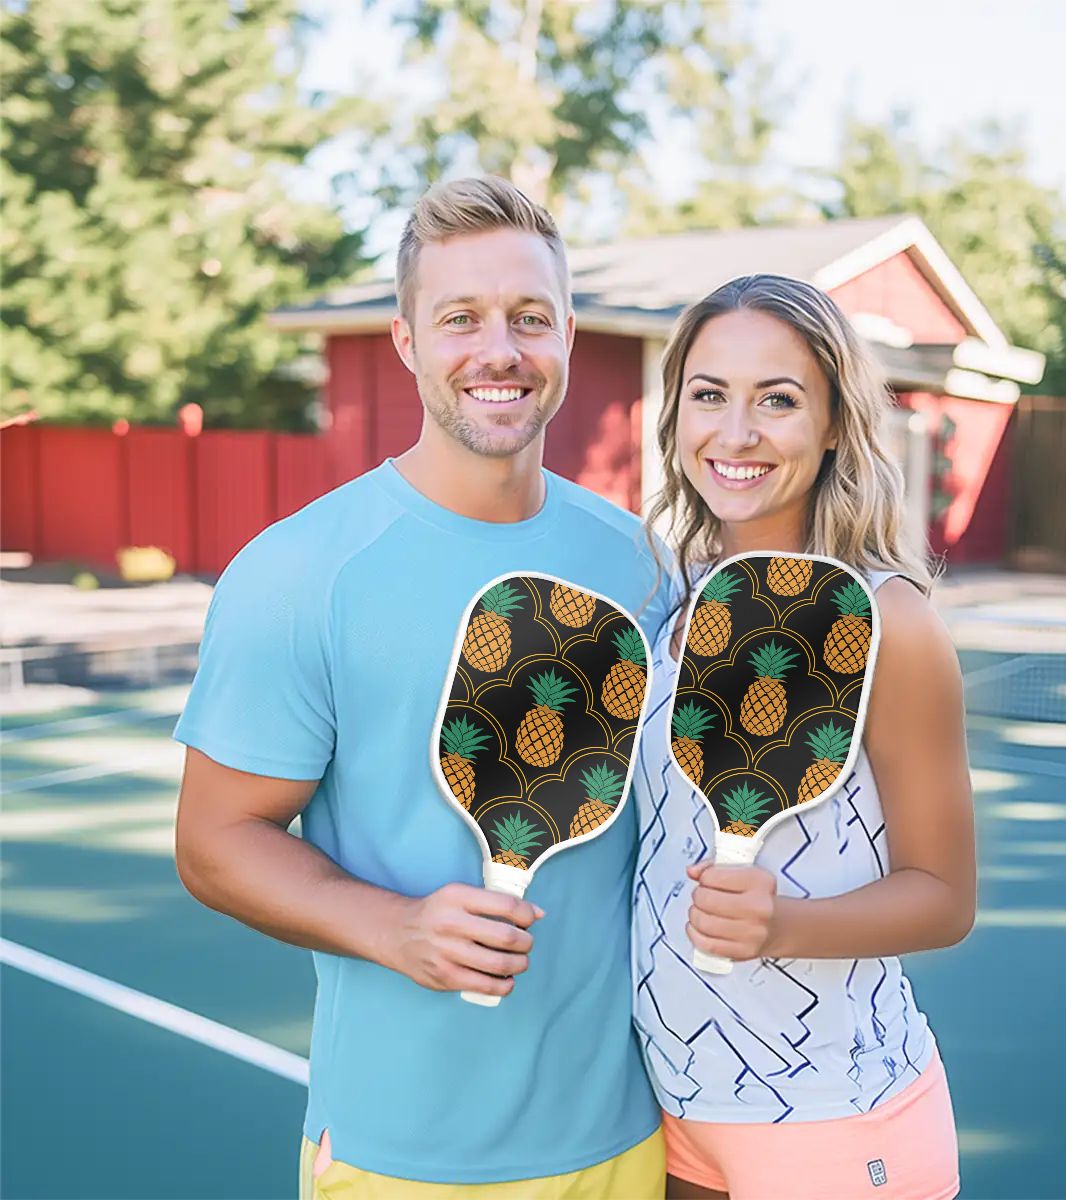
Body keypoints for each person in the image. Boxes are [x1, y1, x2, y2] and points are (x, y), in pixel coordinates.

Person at [174, 176, 668, 1199]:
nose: (500, 350)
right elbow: (215, 841)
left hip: (629, 1140)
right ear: (406, 341)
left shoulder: (641, 566)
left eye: (530, 318)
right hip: (400, 1157)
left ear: (568, 335)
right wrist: (395, 929)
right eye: (461, 319)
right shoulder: (299, 572)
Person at [632, 275, 975, 1200]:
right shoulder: (671, 605)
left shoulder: (888, 620)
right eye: (709, 395)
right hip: (667, 1114)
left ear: (833, 426)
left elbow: (943, 898)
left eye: (777, 401)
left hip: (835, 1118)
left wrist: (786, 926)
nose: (735, 433)